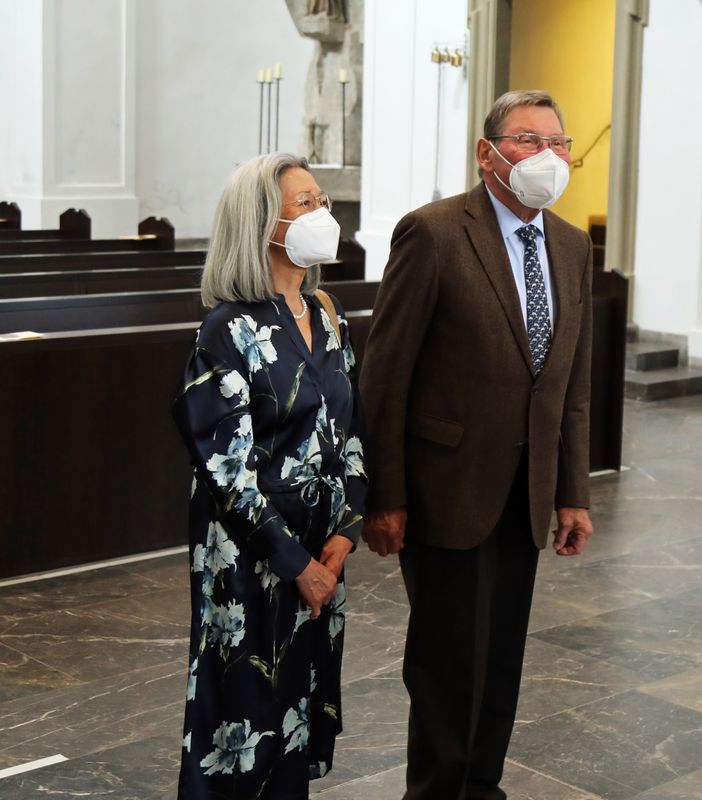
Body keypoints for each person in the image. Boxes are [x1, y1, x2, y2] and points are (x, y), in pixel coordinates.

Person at [358, 89, 594, 800]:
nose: (546, 157)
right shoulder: (432, 234)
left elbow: (570, 385)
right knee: (446, 666)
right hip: (445, 492)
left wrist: (572, 493)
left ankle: (481, 789)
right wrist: (385, 495)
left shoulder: (572, 245)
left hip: (525, 492)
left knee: (500, 664)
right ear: (486, 153)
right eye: (528, 141)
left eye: (558, 143)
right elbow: (385, 375)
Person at [173, 153, 367, 798]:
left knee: (296, 707)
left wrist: (343, 534)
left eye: (323, 202)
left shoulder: (327, 313)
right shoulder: (227, 328)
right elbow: (225, 468)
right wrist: (295, 562)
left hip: (321, 550)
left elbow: (350, 431)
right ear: (262, 222)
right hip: (254, 557)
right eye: (306, 204)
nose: (323, 215)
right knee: (243, 714)